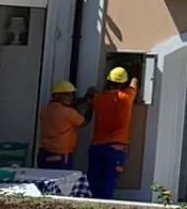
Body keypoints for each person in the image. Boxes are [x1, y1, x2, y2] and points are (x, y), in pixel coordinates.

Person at [88, 66, 138, 199]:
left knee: (94, 180)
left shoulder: (98, 99)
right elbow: (134, 82)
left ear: (108, 82)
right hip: (116, 147)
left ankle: (90, 206)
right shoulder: (127, 97)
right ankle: (103, 208)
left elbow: (93, 96)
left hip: (97, 146)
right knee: (109, 181)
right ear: (124, 83)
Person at [38, 80, 90, 169]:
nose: (71, 97)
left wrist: (83, 99)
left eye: (71, 94)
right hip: (60, 156)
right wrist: (90, 104)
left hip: (44, 153)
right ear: (57, 95)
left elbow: (70, 105)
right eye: (67, 94)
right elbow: (84, 122)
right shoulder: (67, 112)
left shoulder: (46, 109)